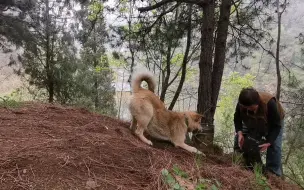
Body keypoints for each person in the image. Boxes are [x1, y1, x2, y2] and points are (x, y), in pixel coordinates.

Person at [233, 87, 285, 177]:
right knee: (242, 139)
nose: (250, 110)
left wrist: (269, 142)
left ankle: (273, 173)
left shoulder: (269, 103)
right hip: (251, 119)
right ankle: (242, 162)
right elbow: (237, 118)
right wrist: (240, 133)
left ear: (258, 103)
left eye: (252, 108)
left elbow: (276, 126)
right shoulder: (242, 103)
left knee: (275, 146)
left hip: (272, 121)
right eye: (247, 108)